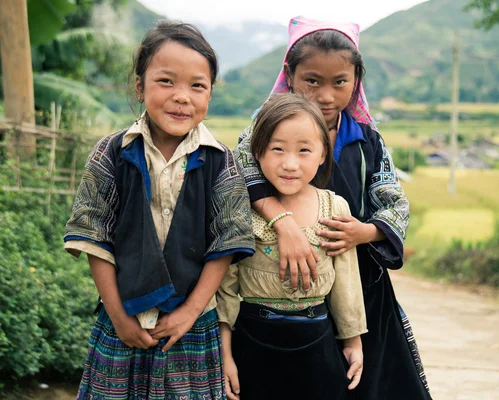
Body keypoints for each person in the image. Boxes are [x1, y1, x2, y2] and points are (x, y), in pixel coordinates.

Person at [234, 16, 432, 400]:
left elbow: (394, 202)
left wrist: (365, 232)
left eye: (339, 82)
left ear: (356, 80)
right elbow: (240, 178)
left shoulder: (366, 139)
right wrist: (285, 224)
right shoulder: (262, 130)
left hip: (359, 287)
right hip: (281, 286)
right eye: (313, 80)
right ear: (290, 75)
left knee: (371, 381)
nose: (326, 95)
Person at [64, 21, 254, 399]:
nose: (182, 97)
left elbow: (227, 241)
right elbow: (93, 235)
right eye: (166, 81)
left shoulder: (221, 161)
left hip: (192, 326)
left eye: (197, 85)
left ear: (211, 94)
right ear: (140, 86)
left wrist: (188, 314)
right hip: (123, 321)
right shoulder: (111, 153)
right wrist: (118, 317)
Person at [217, 93, 367, 400]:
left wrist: (352, 342)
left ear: (323, 154)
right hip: (253, 342)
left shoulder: (334, 207)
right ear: (257, 152)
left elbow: (347, 282)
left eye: (304, 151)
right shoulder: (241, 209)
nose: (289, 164)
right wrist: (225, 354)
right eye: (277, 149)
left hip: (318, 343)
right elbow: (226, 288)